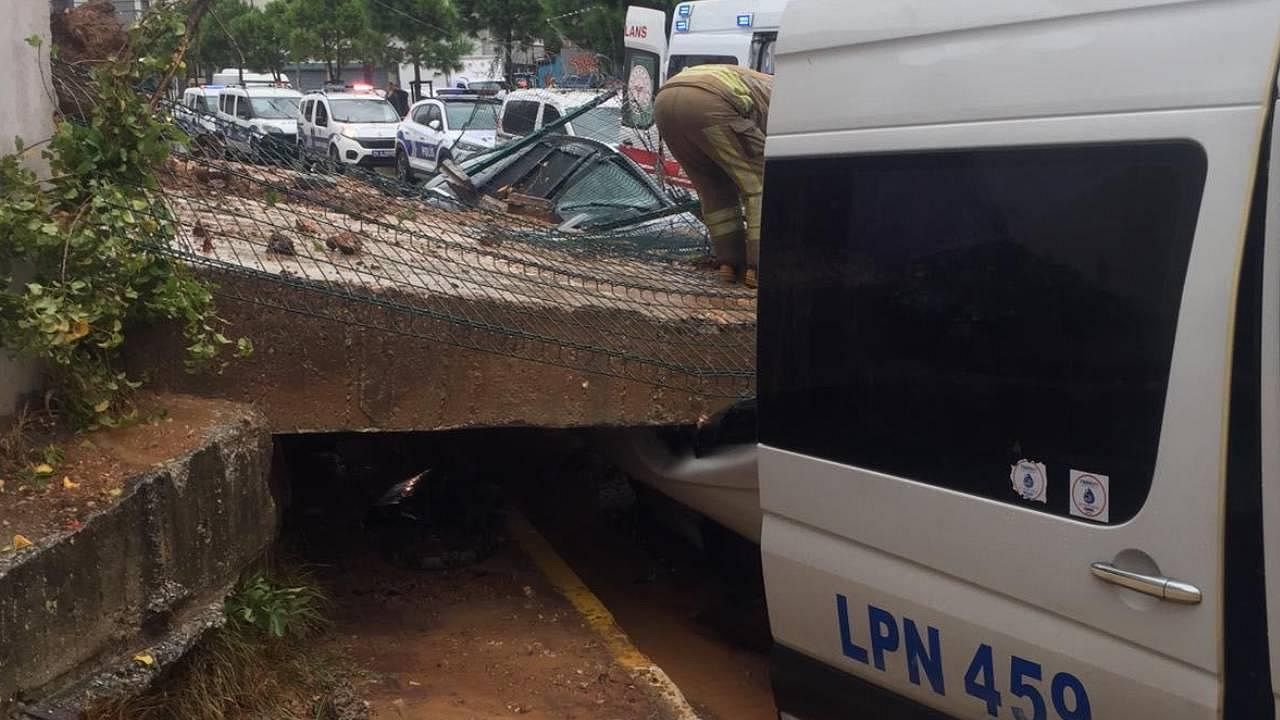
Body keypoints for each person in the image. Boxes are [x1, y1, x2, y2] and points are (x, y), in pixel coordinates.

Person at [654, 64, 772, 288]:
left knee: (714, 189)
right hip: (710, 102)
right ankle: (760, 268)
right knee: (762, 183)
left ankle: (730, 265)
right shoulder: (784, 95)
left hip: (665, 100)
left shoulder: (765, 81)